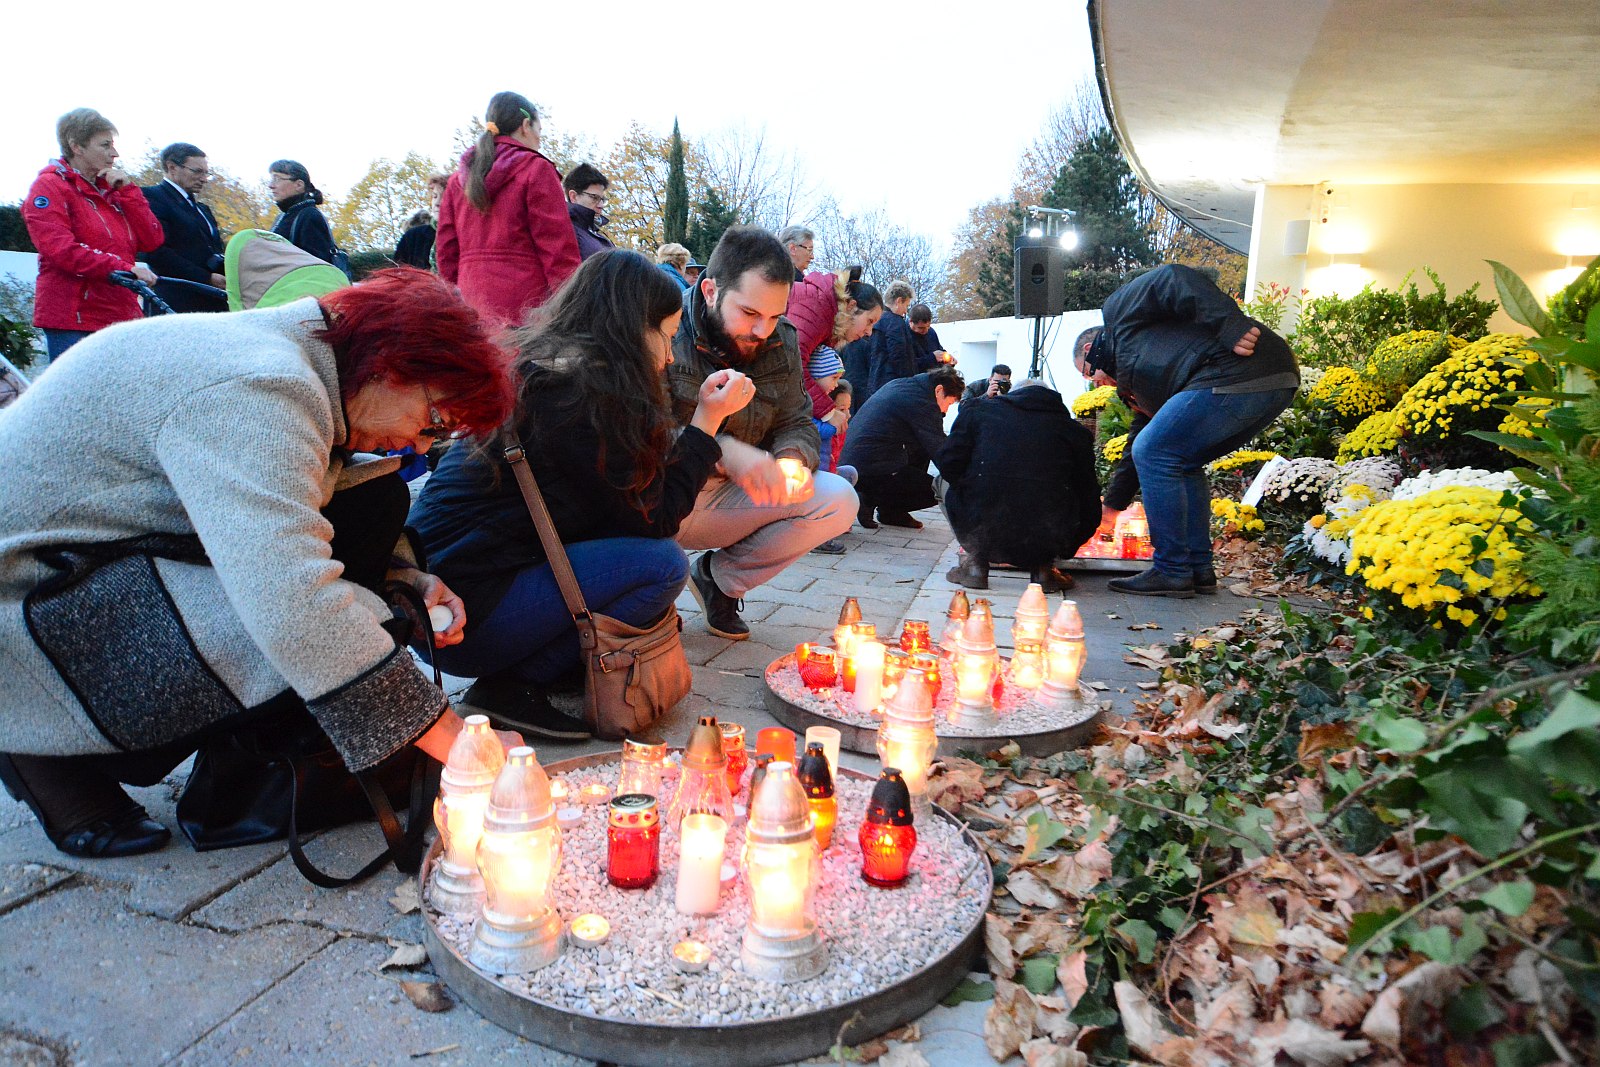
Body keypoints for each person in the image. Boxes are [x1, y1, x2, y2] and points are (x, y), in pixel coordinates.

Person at [0, 268, 518, 858]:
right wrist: (456, 741)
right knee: (302, 625)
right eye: (434, 424)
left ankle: (258, 744)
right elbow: (290, 599)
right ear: (391, 367)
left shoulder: (306, 358)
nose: (423, 446)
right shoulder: (261, 385)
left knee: (374, 500)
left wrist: (408, 580)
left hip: (97, 555)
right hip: (23, 596)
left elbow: (297, 516)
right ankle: (39, 747)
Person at [409, 251, 750, 735]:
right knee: (661, 566)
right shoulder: (582, 401)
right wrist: (707, 423)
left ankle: (550, 664)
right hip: (464, 623)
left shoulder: (544, 370)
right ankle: (514, 685)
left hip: (437, 604)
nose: (671, 356)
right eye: (667, 336)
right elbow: (656, 517)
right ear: (632, 329)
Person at [669, 226, 858, 640]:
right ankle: (644, 586)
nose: (762, 331)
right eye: (750, 314)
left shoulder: (782, 339)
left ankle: (718, 580)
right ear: (710, 291)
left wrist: (790, 459)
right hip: (658, 495)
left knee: (837, 499)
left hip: (727, 497)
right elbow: (635, 430)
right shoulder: (664, 327)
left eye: (775, 316)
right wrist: (719, 450)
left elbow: (797, 420)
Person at [1082, 264, 1299, 598]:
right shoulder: (1136, 385)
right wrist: (1112, 506)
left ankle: (1171, 569)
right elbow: (1141, 439)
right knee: (1179, 459)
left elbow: (1172, 277)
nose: (1098, 385)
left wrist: (1230, 324)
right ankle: (1197, 569)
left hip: (1239, 367)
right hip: (1268, 380)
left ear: (1089, 353)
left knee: (1158, 452)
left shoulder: (1118, 312)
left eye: (1091, 376)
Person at [21, 108, 163, 365]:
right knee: (77, 401)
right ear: (77, 146)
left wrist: (129, 193)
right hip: (73, 319)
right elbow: (61, 250)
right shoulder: (50, 187)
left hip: (121, 314)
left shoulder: (114, 189)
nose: (115, 153)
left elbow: (153, 240)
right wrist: (123, 268)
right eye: (105, 145)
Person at [936, 378, 1100, 593]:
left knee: (940, 481)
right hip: (1048, 536)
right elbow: (1089, 497)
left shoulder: (977, 412)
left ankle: (976, 561)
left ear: (1011, 395)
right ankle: (1043, 568)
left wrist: (975, 484)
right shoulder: (1075, 431)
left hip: (982, 526)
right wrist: (1069, 547)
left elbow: (948, 463)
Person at [436, 91, 580, 329]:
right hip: (527, 307)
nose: (539, 140)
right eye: (539, 131)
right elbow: (558, 251)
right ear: (525, 125)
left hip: (472, 307)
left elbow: (446, 255)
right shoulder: (536, 170)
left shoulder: (456, 182)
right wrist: (571, 307)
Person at [840, 365, 965, 531]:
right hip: (869, 467)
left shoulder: (904, 386)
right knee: (936, 489)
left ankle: (889, 510)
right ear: (939, 390)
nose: (946, 410)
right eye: (948, 403)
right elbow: (940, 450)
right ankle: (870, 498)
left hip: (857, 460)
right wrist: (966, 478)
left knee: (920, 451)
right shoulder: (921, 402)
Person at [141, 142, 226, 313]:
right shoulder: (151, 197)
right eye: (197, 171)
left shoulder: (202, 208)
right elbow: (156, 252)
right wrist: (206, 277)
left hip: (212, 299)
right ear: (172, 167)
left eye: (206, 173)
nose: (204, 179)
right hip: (176, 301)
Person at [839, 278, 919, 408]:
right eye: (906, 305)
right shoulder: (895, 322)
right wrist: (909, 382)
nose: (906, 310)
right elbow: (899, 356)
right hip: (892, 384)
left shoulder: (880, 320)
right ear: (899, 301)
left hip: (874, 383)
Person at [268, 160, 336, 264]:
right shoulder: (283, 216)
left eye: (277, 179)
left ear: (299, 185)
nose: (271, 185)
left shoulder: (309, 216)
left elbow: (316, 267)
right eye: (272, 179)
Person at [564, 163, 614, 260]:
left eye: (602, 199)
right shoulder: (565, 230)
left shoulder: (595, 235)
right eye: (594, 197)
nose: (601, 205)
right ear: (573, 196)